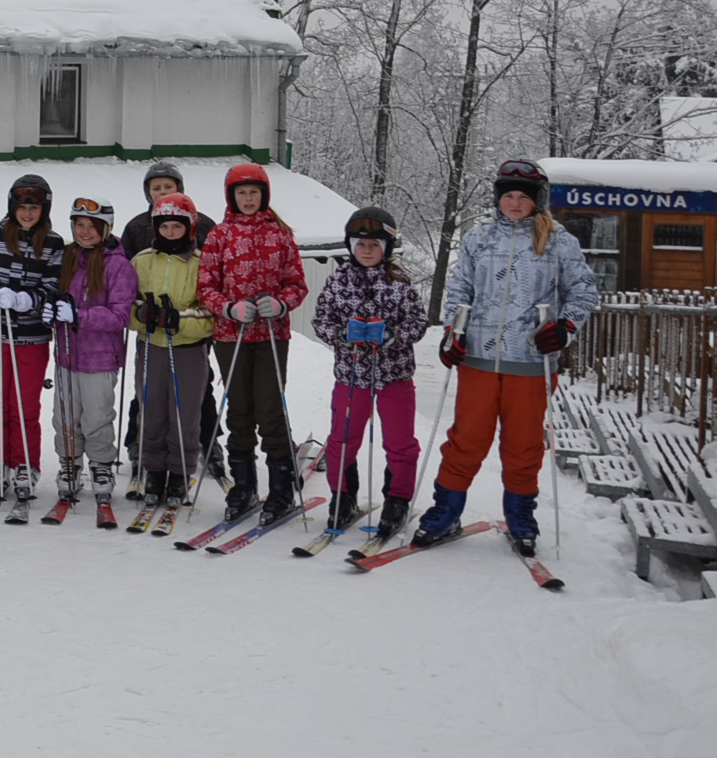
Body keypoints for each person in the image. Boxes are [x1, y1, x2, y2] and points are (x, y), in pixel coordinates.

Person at [414, 160, 598, 553]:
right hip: (478, 358)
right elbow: (460, 288)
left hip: (530, 362)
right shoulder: (478, 238)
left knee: (524, 443)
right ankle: (446, 510)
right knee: (466, 439)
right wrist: (452, 334)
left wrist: (564, 328)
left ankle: (520, 515)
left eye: (523, 197)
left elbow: (583, 291)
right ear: (498, 199)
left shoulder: (558, 240)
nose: (514, 203)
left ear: (537, 201)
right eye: (508, 196)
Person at [195, 161, 309, 521]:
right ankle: (243, 486)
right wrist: (227, 309)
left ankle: (280, 489)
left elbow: (297, 284)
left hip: (272, 336)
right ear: (232, 196)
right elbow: (205, 287)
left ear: (264, 195)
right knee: (240, 409)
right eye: (241, 193)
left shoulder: (280, 234)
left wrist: (281, 303)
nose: (248, 199)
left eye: (254, 192)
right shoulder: (219, 235)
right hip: (232, 336)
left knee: (270, 409)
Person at [308, 205, 429, 536]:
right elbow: (321, 320)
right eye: (360, 244)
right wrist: (343, 334)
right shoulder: (338, 281)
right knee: (342, 438)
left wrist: (394, 335)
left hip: (394, 375)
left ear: (386, 248)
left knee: (400, 441)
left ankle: (397, 500)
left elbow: (419, 322)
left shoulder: (400, 283)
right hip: (351, 376)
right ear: (350, 246)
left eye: (374, 245)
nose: (366, 251)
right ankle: (343, 496)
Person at [120, 160, 225, 483]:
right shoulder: (138, 227)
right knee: (149, 397)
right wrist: (142, 315)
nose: (162, 192)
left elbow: (209, 288)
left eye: (168, 186)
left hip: (188, 334)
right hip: (151, 335)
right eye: (156, 188)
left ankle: (205, 443)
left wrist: (180, 319)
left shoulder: (203, 225)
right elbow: (125, 282)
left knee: (193, 395)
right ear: (148, 193)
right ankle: (143, 448)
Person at [0, 174, 65, 506]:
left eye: (33, 208)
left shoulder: (52, 243)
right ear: (12, 207)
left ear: (43, 210)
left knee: (24, 403)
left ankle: (25, 463)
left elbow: (53, 286)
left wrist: (29, 300)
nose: (26, 214)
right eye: (21, 207)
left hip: (31, 335)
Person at [127, 193, 214, 508]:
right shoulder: (142, 260)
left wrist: (177, 319)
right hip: (151, 346)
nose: (170, 232)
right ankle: (154, 470)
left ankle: (179, 473)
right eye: (165, 227)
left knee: (184, 412)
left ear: (189, 228)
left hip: (187, 350)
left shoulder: (201, 264)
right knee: (150, 410)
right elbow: (125, 303)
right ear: (156, 228)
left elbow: (209, 316)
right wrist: (141, 315)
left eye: (177, 227)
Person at [52, 198, 137, 507]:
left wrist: (79, 316)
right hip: (66, 353)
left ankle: (101, 465)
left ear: (106, 228)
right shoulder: (67, 258)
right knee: (64, 414)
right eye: (79, 224)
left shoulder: (118, 265)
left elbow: (120, 316)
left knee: (97, 416)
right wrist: (52, 312)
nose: (84, 231)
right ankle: (69, 463)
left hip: (100, 357)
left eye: (92, 226)